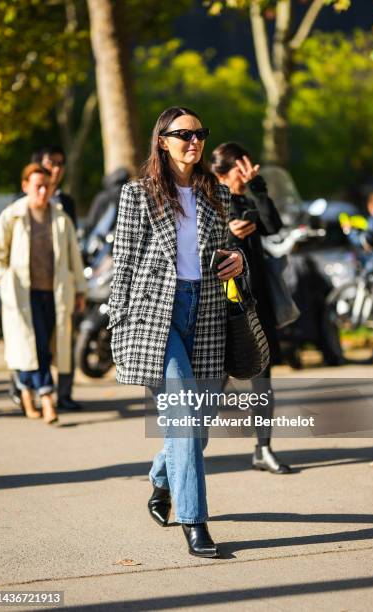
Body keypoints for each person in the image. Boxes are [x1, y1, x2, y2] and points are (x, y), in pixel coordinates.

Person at [108, 106, 244, 558]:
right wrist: (118, 325)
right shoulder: (138, 194)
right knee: (185, 419)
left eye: (200, 133)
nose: (194, 141)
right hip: (154, 317)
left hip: (204, 314)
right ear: (161, 140)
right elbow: (123, 263)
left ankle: (162, 479)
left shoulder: (217, 194)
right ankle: (195, 521)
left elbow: (227, 251)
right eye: (183, 134)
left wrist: (238, 261)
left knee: (196, 428)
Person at [211, 142, 292, 475]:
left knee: (263, 379)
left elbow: (274, 225)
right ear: (222, 172)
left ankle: (264, 448)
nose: (244, 176)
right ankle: (179, 455)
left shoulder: (247, 199)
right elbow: (200, 250)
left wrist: (258, 187)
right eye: (239, 171)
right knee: (211, 385)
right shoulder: (210, 203)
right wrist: (227, 237)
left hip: (255, 301)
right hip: (220, 305)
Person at [0, 163, 86, 424]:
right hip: (22, 296)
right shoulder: (12, 217)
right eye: (37, 186)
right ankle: (46, 399)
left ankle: (26, 392)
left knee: (39, 349)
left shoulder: (61, 219)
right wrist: (5, 280)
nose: (43, 191)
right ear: (25, 186)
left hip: (54, 295)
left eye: (47, 186)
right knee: (37, 347)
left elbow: (73, 259)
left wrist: (80, 290)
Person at [9, 145, 82, 411]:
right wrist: (5, 279)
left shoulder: (65, 207)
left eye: (61, 163)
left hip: (57, 287)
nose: (57, 169)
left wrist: (79, 289)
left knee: (57, 342)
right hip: (25, 289)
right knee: (32, 341)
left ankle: (58, 393)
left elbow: (74, 248)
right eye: (52, 163)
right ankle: (39, 392)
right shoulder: (17, 207)